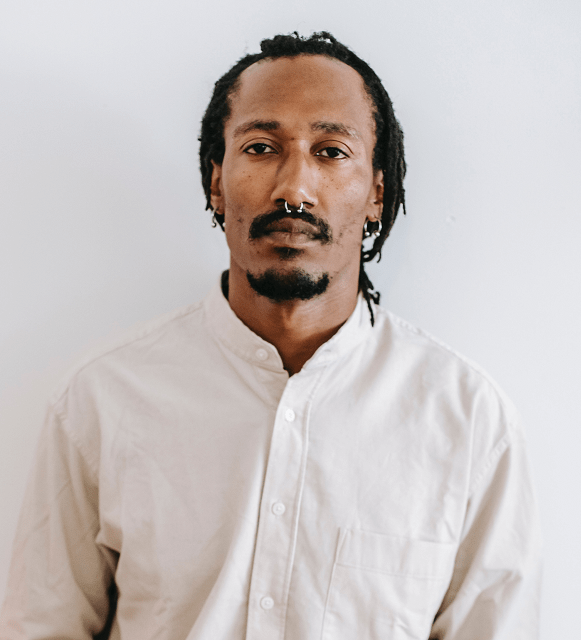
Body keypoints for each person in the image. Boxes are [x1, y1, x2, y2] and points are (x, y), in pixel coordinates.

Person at [0, 32, 541, 640]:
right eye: (260, 148)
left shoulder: (468, 422)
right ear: (216, 182)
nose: (294, 189)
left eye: (332, 151)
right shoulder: (101, 402)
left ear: (377, 192)